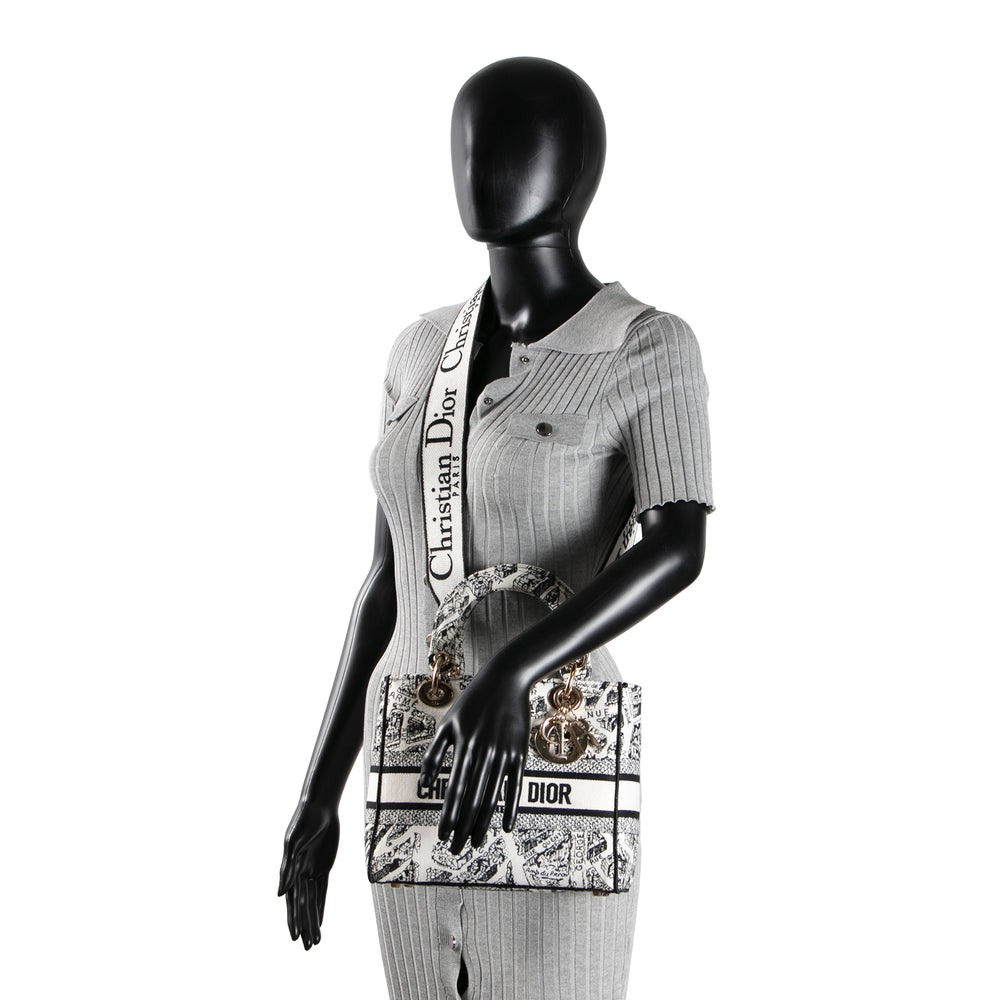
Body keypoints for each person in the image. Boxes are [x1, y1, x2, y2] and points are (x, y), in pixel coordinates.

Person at [279, 56, 714, 1000]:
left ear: (577, 169)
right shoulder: (419, 350)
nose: (480, 164)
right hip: (411, 762)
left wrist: (518, 667)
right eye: (467, 142)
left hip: (550, 753)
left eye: (512, 143)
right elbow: (388, 579)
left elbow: (679, 545)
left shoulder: (645, 347)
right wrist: (319, 788)